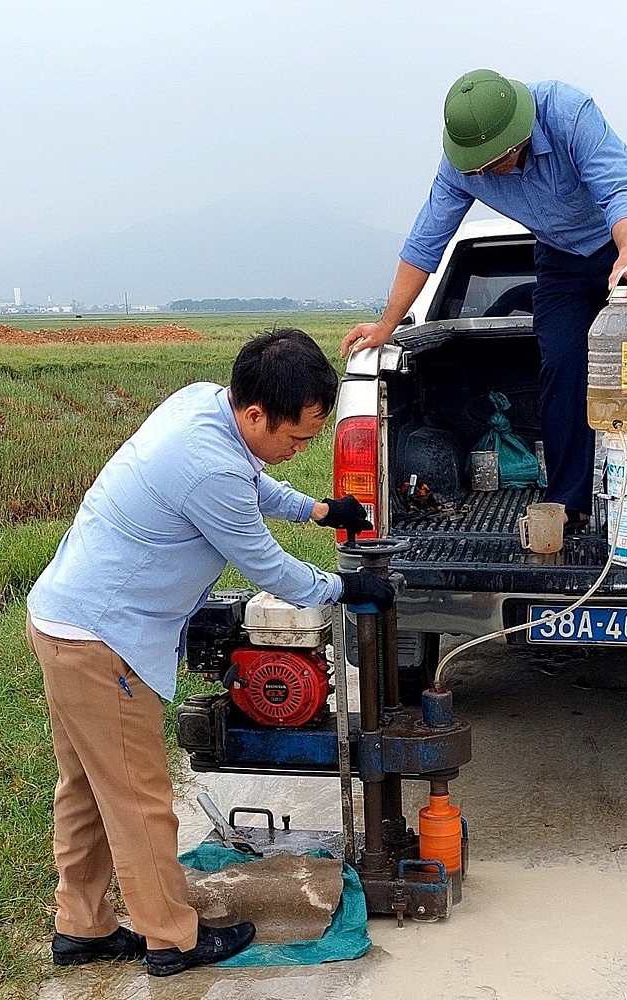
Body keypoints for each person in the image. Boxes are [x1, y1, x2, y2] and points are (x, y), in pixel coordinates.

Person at [26, 328, 394, 977]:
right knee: (140, 799)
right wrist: (345, 586)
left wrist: (319, 509)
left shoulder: (204, 406)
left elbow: (253, 484)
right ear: (255, 413)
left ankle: (80, 928)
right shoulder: (211, 467)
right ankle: (174, 938)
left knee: (86, 789)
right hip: (102, 642)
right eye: (298, 438)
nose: (297, 450)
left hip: (65, 620)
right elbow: (271, 568)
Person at [341, 69, 627, 531]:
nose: (485, 175)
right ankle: (569, 502)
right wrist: (387, 324)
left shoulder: (566, 111)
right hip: (559, 250)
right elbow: (425, 243)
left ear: (519, 135)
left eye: (494, 162)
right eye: (476, 168)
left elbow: (618, 190)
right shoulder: (461, 166)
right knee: (561, 362)